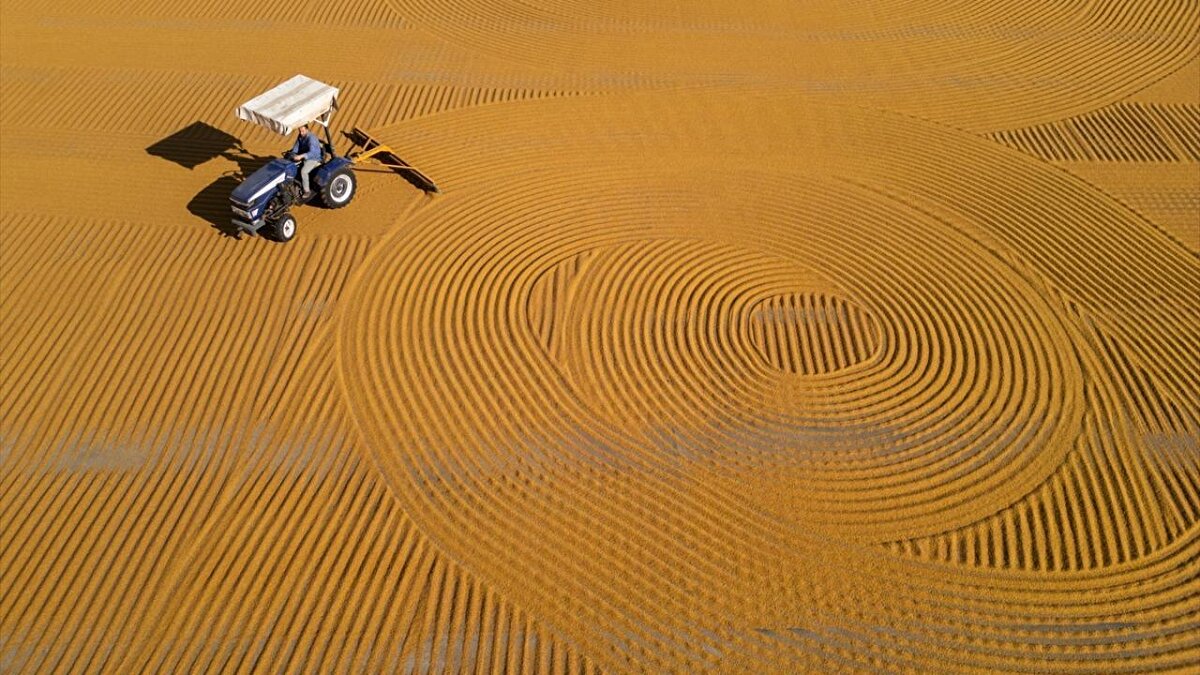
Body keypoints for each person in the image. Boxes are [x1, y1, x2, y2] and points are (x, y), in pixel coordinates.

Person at [288, 125, 322, 198]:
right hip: (304, 156)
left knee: (303, 171)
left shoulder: (311, 138)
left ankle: (307, 191)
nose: (301, 133)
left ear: (307, 130)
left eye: (303, 131)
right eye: (300, 131)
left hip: (313, 158)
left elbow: (312, 153)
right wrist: (293, 154)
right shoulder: (300, 136)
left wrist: (301, 156)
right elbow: (296, 147)